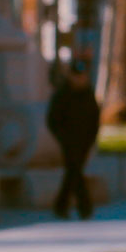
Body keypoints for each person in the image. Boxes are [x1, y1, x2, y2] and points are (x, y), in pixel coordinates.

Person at [44, 60, 101, 219]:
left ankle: (60, 205)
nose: (80, 79)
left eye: (83, 76)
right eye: (77, 76)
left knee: (72, 173)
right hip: (68, 141)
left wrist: (91, 138)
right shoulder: (62, 94)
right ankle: (85, 207)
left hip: (84, 141)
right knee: (75, 172)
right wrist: (63, 138)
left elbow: (94, 118)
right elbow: (53, 120)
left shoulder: (88, 94)